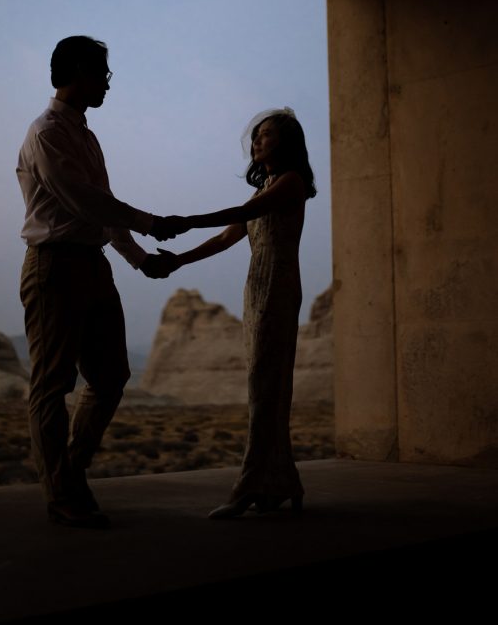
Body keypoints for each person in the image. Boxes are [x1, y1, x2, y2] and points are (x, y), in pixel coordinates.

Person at [16, 36, 175, 529]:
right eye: (102, 72)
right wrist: (151, 224)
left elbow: (101, 207)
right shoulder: (46, 133)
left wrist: (138, 258)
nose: (107, 82)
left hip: (91, 263)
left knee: (110, 377)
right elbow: (85, 202)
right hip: (54, 266)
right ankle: (62, 492)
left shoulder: (84, 134)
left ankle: (71, 473)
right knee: (53, 384)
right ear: (79, 71)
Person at [156, 108, 317, 519]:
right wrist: (179, 261)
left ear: (286, 142)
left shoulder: (290, 183)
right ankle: (282, 482)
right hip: (257, 288)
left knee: (266, 389)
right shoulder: (266, 185)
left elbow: (239, 216)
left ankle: (249, 484)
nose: (256, 141)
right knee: (265, 388)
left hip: (278, 288)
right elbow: (228, 237)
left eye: (266, 135)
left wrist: (185, 221)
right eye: (256, 135)